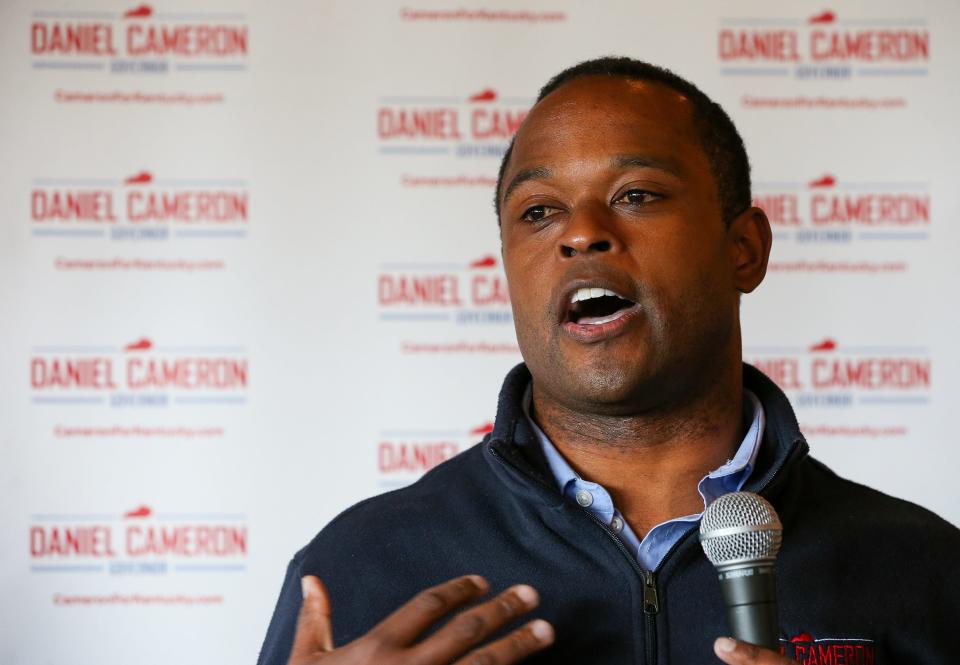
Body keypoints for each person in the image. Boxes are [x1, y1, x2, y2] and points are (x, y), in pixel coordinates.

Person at [257, 57, 960, 665]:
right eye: (538, 212)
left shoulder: (925, 568)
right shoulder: (362, 566)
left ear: (743, 248)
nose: (583, 233)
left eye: (636, 195)